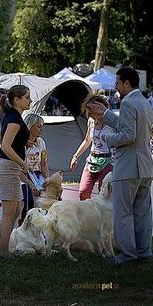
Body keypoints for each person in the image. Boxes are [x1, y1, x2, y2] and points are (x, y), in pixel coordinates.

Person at [87, 66, 153, 265]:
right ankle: (144, 252)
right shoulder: (145, 103)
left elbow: (127, 135)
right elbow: (133, 128)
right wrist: (105, 113)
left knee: (123, 214)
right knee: (143, 214)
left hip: (128, 167)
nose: (115, 86)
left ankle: (127, 255)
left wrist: (105, 136)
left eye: (117, 82)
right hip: (145, 167)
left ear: (126, 83)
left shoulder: (127, 104)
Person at [0, 85, 32, 257]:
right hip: (8, 169)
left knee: (16, 210)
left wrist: (23, 142)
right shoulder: (15, 119)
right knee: (9, 213)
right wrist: (23, 163)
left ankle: (3, 248)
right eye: (27, 97)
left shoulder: (11, 117)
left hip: (9, 169)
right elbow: (4, 146)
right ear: (17, 100)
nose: (30, 100)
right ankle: (2, 251)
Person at [70, 94, 114, 200]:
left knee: (103, 195)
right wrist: (75, 156)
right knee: (83, 192)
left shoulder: (112, 122)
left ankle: (101, 216)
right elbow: (87, 140)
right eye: (88, 109)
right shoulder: (91, 121)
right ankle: (87, 215)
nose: (90, 112)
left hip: (108, 161)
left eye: (92, 109)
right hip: (92, 160)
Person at [20, 114, 49, 220]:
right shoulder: (20, 143)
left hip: (37, 176)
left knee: (47, 201)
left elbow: (44, 164)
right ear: (30, 126)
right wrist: (32, 185)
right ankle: (24, 227)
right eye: (38, 126)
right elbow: (18, 170)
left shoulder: (41, 142)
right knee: (29, 202)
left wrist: (46, 180)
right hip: (23, 178)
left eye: (42, 126)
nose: (41, 129)